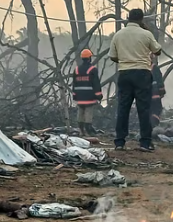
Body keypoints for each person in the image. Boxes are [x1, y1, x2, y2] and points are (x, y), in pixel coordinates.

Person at [109, 8, 162, 151]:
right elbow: (157, 50)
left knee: (123, 108)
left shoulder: (118, 35)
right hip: (142, 74)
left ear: (128, 18)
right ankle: (145, 142)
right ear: (141, 19)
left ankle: (119, 142)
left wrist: (126, 57)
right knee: (144, 109)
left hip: (124, 73)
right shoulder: (146, 33)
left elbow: (113, 56)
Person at [71, 49, 103, 135]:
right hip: (89, 97)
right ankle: (89, 130)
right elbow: (96, 83)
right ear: (89, 58)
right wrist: (99, 95)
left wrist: (74, 95)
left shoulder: (76, 69)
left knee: (80, 112)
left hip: (79, 97)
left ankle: (81, 130)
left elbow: (74, 84)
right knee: (88, 113)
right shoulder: (93, 69)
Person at [150, 55, 166, 128]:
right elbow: (159, 81)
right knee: (157, 110)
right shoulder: (154, 68)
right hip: (154, 96)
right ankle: (153, 125)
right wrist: (162, 92)